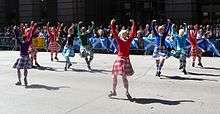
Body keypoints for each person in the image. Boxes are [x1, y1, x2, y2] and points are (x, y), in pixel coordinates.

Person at [108, 19, 136, 101]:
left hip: (121, 59)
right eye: (124, 33)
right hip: (121, 59)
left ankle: (125, 91)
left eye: (125, 33)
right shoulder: (121, 40)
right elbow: (114, 33)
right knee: (115, 77)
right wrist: (112, 24)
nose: (125, 34)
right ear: (121, 35)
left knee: (122, 77)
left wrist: (133, 24)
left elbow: (132, 33)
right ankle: (115, 91)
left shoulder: (126, 40)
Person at [13, 22, 37, 86]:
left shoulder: (21, 43)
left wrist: (14, 30)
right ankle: (25, 78)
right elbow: (31, 35)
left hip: (22, 57)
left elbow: (16, 37)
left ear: (22, 38)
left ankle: (19, 81)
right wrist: (34, 27)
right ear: (26, 38)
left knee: (18, 69)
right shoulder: (28, 42)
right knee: (25, 69)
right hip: (27, 57)